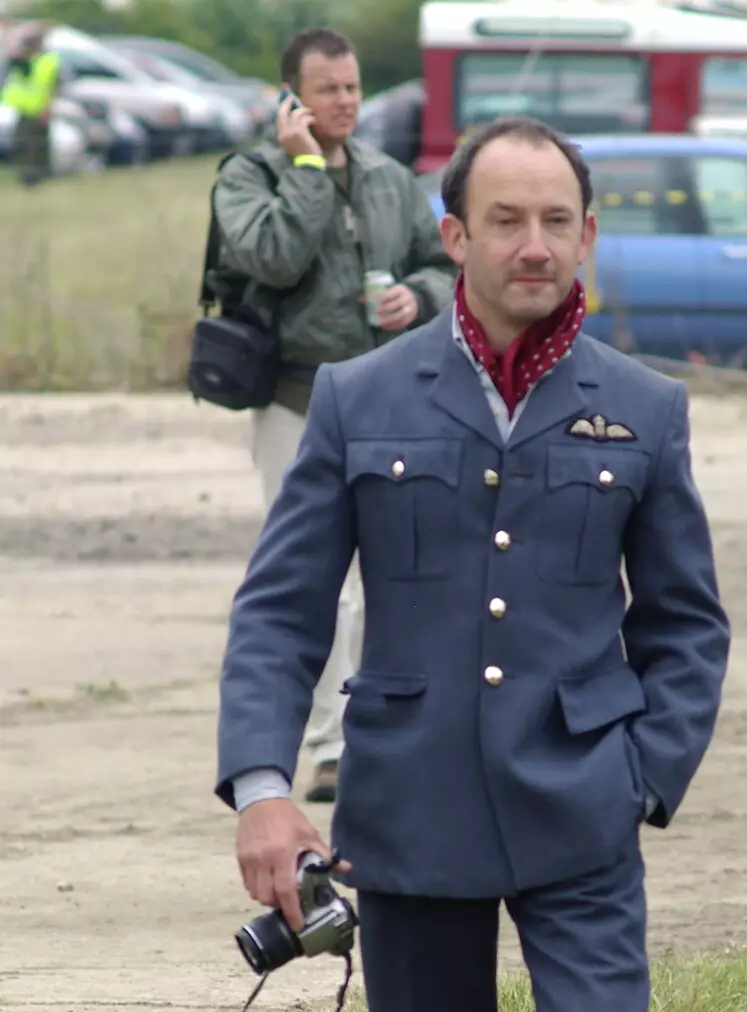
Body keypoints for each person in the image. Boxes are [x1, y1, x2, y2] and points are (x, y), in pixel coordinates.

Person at [216, 116, 731, 1012]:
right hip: (409, 805)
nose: (533, 245)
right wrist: (265, 790)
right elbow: (279, 615)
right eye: (504, 220)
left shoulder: (643, 407)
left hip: (580, 809)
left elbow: (684, 628)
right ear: (451, 237)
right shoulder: (359, 397)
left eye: (556, 219)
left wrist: (642, 776)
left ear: (586, 239)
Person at [212, 26, 455, 805]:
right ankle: (324, 748)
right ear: (292, 99)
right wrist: (310, 170)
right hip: (292, 404)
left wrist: (418, 298)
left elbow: (444, 262)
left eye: (351, 88)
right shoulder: (247, 178)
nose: (346, 102)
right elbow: (275, 258)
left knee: (396, 575)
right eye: (327, 91)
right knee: (318, 585)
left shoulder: (388, 177)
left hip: (386, 405)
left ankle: (385, 736)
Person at [1, 24, 60, 188]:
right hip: (28, 109)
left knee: (32, 145)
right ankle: (34, 175)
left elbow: (50, 86)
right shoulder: (37, 60)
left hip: (35, 110)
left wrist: (48, 108)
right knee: (31, 144)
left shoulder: (41, 61)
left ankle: (33, 177)